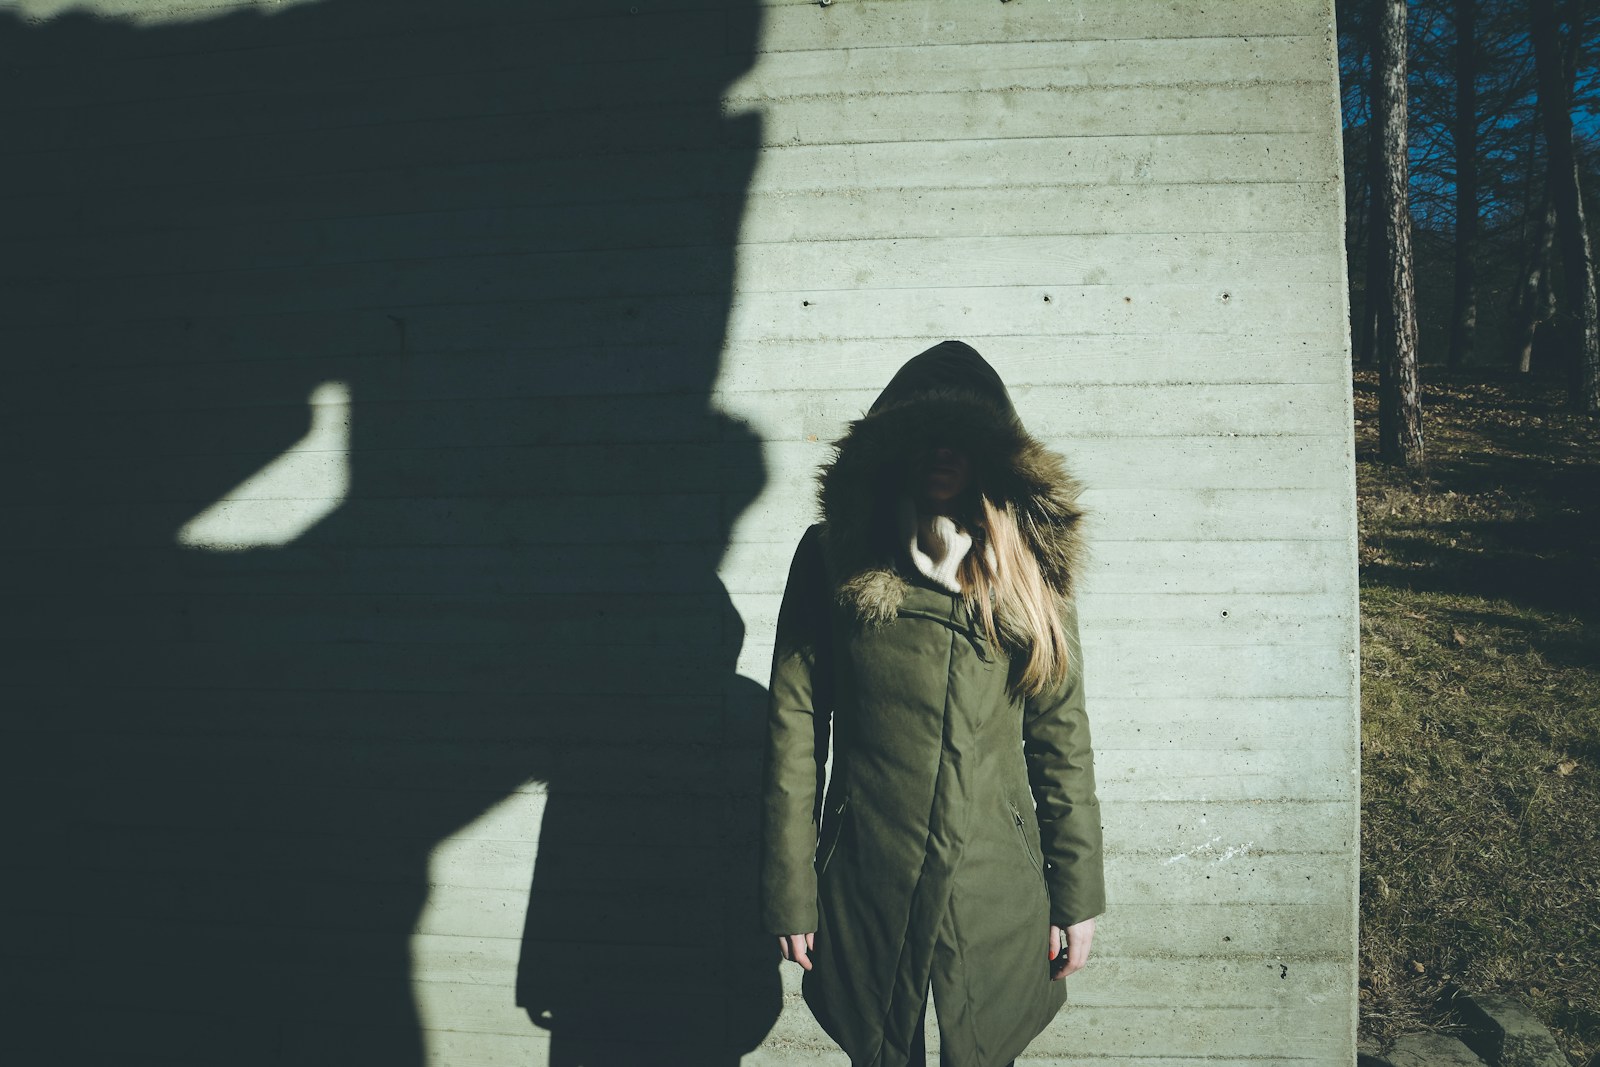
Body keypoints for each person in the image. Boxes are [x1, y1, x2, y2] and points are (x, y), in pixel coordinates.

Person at [759, 340, 1105, 1067]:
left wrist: (1077, 893)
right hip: (866, 871)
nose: (942, 451)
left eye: (963, 436)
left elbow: (1060, 738)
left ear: (992, 452)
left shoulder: (1029, 569)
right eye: (925, 434)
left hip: (993, 880)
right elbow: (794, 727)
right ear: (895, 446)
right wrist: (792, 889)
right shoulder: (833, 556)